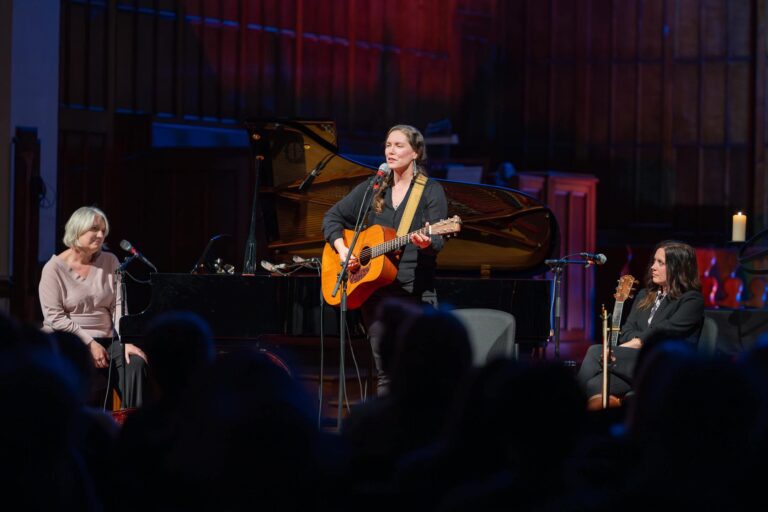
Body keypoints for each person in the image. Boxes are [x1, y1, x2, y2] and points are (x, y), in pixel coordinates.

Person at [322, 124, 448, 394]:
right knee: (386, 374)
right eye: (388, 145)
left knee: (418, 371)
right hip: (377, 295)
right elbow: (332, 217)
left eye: (399, 145)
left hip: (415, 293)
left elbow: (437, 240)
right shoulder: (374, 186)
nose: (391, 151)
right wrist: (344, 250)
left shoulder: (430, 191)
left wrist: (427, 242)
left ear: (415, 153)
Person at [39, 206, 147, 408]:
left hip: (106, 338)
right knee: (68, 362)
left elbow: (118, 306)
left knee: (135, 363)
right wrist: (89, 343)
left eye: (103, 230)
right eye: (94, 229)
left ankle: (131, 427)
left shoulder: (111, 260)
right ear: (76, 230)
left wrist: (124, 341)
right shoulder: (53, 268)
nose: (100, 235)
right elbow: (54, 317)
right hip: (68, 339)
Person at [576, 240, 705, 405]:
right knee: (594, 385)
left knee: (595, 352)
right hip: (635, 362)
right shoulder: (644, 295)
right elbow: (627, 331)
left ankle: (565, 405)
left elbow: (663, 333)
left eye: (660, 263)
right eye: (654, 261)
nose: (653, 266)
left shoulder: (692, 300)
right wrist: (639, 341)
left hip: (665, 366)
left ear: (677, 268)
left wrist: (636, 342)